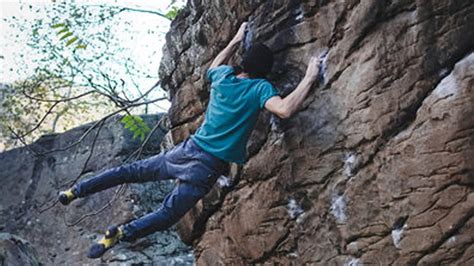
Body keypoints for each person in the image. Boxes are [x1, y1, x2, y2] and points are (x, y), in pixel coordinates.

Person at [58, 22, 321, 259]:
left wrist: (236, 40)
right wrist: (310, 75)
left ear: (243, 63)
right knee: (167, 214)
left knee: (128, 172)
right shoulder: (260, 88)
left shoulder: (223, 78)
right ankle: (123, 233)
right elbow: (284, 109)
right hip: (205, 167)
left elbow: (212, 68)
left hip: (185, 150)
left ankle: (76, 190)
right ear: (265, 71)